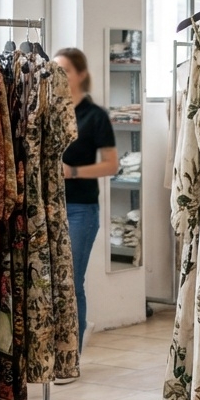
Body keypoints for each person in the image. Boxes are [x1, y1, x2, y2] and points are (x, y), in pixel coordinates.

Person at [57, 47, 119, 375]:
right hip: (49, 208)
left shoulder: (95, 117)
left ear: (80, 74)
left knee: (71, 281)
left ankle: (73, 356)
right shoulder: (50, 112)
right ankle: (55, 349)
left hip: (81, 209)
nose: (60, 76)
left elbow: (112, 164)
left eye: (65, 70)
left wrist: (75, 172)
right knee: (51, 281)